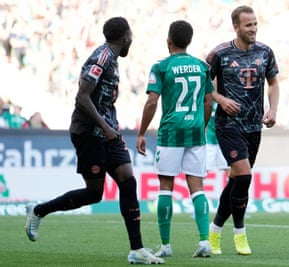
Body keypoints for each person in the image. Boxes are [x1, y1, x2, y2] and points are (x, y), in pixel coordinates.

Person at [24, 17, 164, 265]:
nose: (132, 39)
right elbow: (82, 97)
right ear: (124, 37)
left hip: (109, 132)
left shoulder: (113, 58)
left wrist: (110, 127)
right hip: (89, 133)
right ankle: (39, 210)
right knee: (93, 193)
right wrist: (103, 126)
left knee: (128, 182)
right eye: (130, 35)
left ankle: (137, 250)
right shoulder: (101, 58)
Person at [136, 20, 214, 258]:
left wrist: (141, 132)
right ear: (189, 41)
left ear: (168, 40)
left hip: (171, 132)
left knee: (166, 188)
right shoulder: (201, 66)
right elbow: (208, 101)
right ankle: (204, 242)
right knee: (197, 188)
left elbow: (152, 101)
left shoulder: (161, 66)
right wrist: (202, 125)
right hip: (195, 131)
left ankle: (166, 246)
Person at [206, 5, 280, 256]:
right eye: (248, 25)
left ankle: (214, 230)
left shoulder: (266, 52)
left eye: (255, 24)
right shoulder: (220, 53)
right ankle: (240, 233)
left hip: (253, 125)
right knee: (245, 176)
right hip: (228, 125)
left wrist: (272, 110)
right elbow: (205, 84)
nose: (253, 29)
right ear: (236, 27)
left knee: (237, 180)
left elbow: (273, 83)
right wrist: (220, 99)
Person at [205, 101, 229, 172]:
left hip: (224, 141)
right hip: (210, 140)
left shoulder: (227, 101)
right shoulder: (208, 102)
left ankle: (232, 183)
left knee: (228, 167)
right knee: (204, 169)